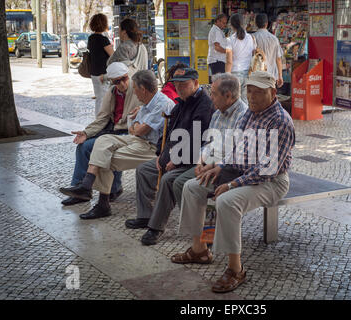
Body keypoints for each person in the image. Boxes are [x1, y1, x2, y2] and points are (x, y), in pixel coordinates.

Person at [171, 71, 296, 293]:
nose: (252, 97)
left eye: (259, 92)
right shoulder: (249, 114)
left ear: (273, 93)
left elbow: (267, 170)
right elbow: (235, 147)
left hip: (271, 181)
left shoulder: (280, 121)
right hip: (241, 172)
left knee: (227, 201)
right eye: (249, 91)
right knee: (192, 187)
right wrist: (218, 166)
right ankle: (199, 250)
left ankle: (235, 268)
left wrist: (232, 184)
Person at [60, 70, 175, 219]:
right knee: (103, 140)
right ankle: (87, 186)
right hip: (139, 140)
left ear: (143, 89)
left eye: (135, 89)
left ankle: (101, 203)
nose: (134, 93)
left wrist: (136, 126)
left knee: (105, 158)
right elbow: (133, 127)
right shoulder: (146, 103)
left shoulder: (162, 104)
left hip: (152, 147)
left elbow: (138, 129)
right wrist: (136, 126)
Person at [124, 68, 214, 246]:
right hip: (177, 156)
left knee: (167, 179)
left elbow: (196, 139)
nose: (179, 88)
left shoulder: (204, 106)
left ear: (196, 83)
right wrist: (161, 155)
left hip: (194, 159)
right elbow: (169, 132)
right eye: (177, 85)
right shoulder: (181, 103)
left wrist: (177, 159)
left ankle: (156, 227)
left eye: (184, 84)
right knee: (144, 169)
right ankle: (145, 216)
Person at [60, 62, 142, 206]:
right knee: (84, 146)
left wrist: (140, 112)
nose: (122, 83)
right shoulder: (111, 93)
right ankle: (79, 188)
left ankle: (113, 188)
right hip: (113, 132)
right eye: (117, 81)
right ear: (112, 82)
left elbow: (150, 106)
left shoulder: (136, 90)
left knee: (109, 148)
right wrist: (86, 132)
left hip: (130, 133)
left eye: (124, 79)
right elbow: (102, 118)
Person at [171, 72, 248, 211]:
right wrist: (200, 161)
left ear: (228, 96)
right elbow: (208, 143)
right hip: (211, 162)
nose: (211, 97)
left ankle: (202, 222)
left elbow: (235, 154)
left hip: (229, 168)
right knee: (177, 182)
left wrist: (211, 165)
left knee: (184, 184)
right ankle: (197, 225)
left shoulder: (243, 116)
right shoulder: (217, 113)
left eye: (214, 94)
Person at [102, 18, 148, 83]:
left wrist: (104, 77)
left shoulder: (124, 47)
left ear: (124, 32)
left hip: (127, 87)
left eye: (119, 30)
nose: (119, 33)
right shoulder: (141, 46)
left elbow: (119, 71)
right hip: (140, 84)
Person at [225, 13, 256, 105]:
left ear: (231, 25)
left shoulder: (230, 40)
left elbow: (229, 61)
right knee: (245, 102)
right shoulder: (251, 38)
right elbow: (253, 54)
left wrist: (227, 75)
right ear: (243, 23)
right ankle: (245, 119)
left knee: (234, 102)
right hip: (248, 73)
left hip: (235, 74)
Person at [87, 13, 114, 115]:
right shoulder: (103, 40)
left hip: (94, 72)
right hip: (103, 74)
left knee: (99, 98)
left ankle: (98, 120)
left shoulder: (91, 38)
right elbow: (113, 55)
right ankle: (100, 121)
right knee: (104, 99)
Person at [252, 13, 283, 88]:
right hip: (271, 75)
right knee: (270, 97)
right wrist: (280, 76)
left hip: (257, 75)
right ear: (267, 23)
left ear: (256, 24)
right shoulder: (274, 38)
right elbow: (278, 59)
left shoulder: (252, 37)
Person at [207, 13, 228, 83]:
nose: (225, 25)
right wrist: (228, 51)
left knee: (219, 83)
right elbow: (217, 47)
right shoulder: (216, 31)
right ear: (218, 21)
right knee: (219, 83)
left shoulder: (218, 30)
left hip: (218, 61)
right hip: (217, 61)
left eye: (225, 23)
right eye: (223, 23)